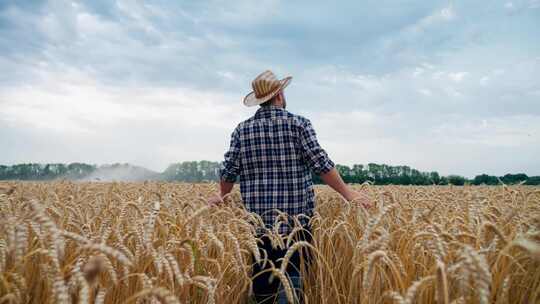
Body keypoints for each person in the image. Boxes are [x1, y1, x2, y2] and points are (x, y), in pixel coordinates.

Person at [207, 70, 372, 303]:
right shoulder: (299, 124)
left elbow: (229, 170)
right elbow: (321, 164)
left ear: (259, 100)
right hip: (297, 228)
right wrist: (348, 194)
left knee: (263, 288)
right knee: (293, 287)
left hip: (260, 229)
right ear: (280, 95)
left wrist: (221, 195)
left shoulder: (241, 131)